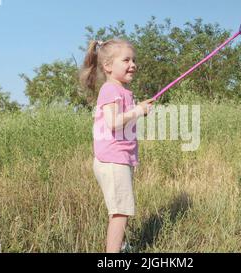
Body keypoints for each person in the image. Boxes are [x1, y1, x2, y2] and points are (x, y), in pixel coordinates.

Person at [80, 39, 155, 253]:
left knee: (123, 207)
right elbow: (112, 122)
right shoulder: (110, 89)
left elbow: (122, 124)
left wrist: (139, 110)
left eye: (134, 60)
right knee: (120, 211)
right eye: (126, 60)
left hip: (120, 159)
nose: (133, 64)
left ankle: (121, 246)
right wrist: (138, 111)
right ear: (108, 66)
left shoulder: (122, 91)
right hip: (113, 161)